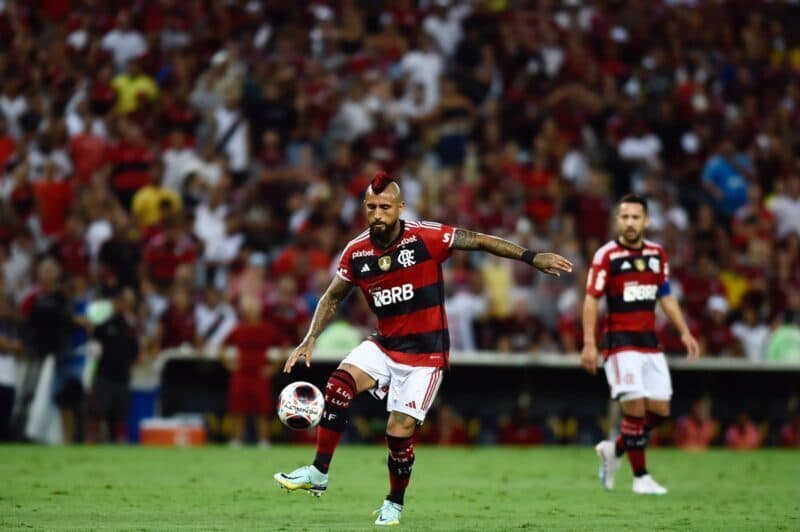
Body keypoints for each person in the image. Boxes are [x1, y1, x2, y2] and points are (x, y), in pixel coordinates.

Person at [274, 171, 572, 526]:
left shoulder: (426, 237)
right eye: (371, 206)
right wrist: (310, 338)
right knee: (339, 384)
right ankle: (319, 472)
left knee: (397, 433)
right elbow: (332, 297)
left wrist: (531, 257)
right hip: (384, 345)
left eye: (385, 206)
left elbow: (476, 240)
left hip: (425, 356)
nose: (378, 213)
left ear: (400, 208)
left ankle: (394, 503)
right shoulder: (356, 252)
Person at [581, 194, 700, 495]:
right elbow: (591, 301)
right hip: (620, 343)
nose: (630, 223)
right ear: (617, 220)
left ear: (646, 221)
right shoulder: (606, 256)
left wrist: (684, 331)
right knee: (634, 409)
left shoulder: (657, 254)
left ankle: (614, 450)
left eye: (636, 217)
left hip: (649, 342)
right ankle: (641, 478)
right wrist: (589, 343)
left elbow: (667, 296)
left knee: (659, 411)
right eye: (625, 217)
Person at [222, 294, 283, 448]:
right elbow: (221, 347)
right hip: (241, 374)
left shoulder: (267, 329)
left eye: (253, 309)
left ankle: (264, 441)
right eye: (248, 310)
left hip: (259, 375)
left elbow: (284, 347)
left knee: (262, 410)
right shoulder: (239, 329)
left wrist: (273, 368)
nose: (251, 312)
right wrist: (229, 364)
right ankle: (236, 440)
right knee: (238, 409)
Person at [87, 288, 140, 443]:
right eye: (119, 302)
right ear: (115, 303)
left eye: (125, 302)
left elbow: (135, 351)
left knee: (120, 415)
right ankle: (93, 442)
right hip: (104, 375)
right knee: (98, 412)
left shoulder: (130, 327)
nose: (122, 305)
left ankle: (119, 444)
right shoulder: (103, 325)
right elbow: (94, 348)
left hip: (123, 377)